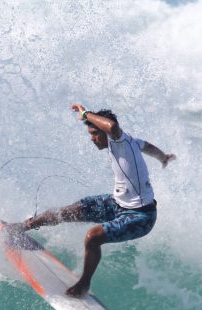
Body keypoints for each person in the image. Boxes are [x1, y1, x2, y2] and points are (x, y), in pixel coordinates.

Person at [9, 103, 175, 297]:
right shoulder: (130, 141)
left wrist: (86, 113)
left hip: (140, 216)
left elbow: (112, 127)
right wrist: (163, 157)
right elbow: (147, 146)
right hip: (116, 203)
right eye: (90, 134)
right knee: (64, 212)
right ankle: (21, 227)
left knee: (92, 237)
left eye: (95, 134)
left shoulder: (119, 139)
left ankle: (83, 284)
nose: (92, 139)